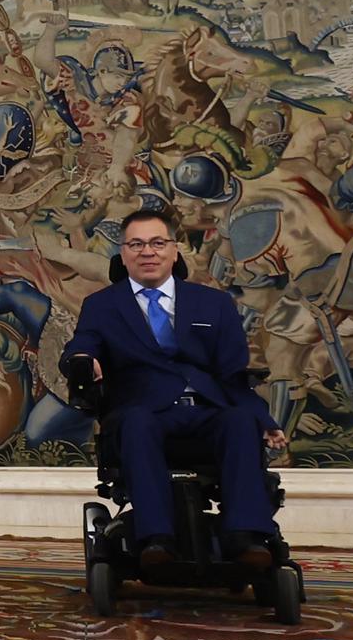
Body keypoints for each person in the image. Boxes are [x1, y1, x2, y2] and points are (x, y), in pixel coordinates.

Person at [67, 207, 284, 570]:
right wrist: (83, 361)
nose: (147, 252)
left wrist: (263, 418)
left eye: (156, 243)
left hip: (207, 409)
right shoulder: (102, 305)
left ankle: (245, 536)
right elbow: (81, 345)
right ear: (122, 252)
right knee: (138, 423)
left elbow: (234, 373)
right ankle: (156, 538)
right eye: (136, 244)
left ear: (174, 249)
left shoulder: (213, 303)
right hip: (142, 410)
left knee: (238, 422)